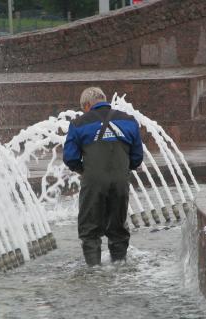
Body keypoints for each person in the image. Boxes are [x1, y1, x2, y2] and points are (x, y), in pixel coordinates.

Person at [63, 87, 144, 266]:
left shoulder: (78, 124)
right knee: (118, 229)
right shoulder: (129, 121)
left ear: (86, 105)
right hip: (121, 182)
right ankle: (119, 266)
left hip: (93, 182)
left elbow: (70, 157)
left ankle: (94, 271)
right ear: (104, 100)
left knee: (90, 230)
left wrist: (85, 171)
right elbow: (137, 157)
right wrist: (122, 170)